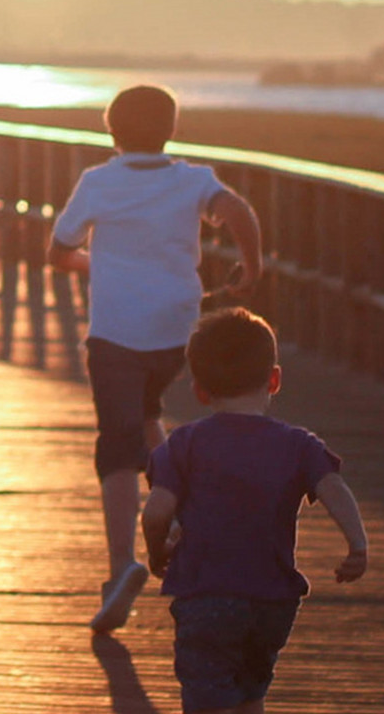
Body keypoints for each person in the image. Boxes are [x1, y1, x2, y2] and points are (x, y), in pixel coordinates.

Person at [140, 308, 368, 714]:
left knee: (203, 709)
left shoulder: (184, 444)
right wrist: (356, 545)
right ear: (273, 379)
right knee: (248, 692)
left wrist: (156, 547)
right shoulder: (297, 444)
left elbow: (158, 508)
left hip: (206, 594)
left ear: (198, 387)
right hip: (272, 599)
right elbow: (334, 488)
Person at [49, 84, 264, 635]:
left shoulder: (98, 183)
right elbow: (237, 209)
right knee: (147, 412)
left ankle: (121, 565)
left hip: (118, 328)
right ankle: (185, 507)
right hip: (174, 328)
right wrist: (252, 265)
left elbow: (58, 249)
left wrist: (95, 265)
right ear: (170, 129)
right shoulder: (193, 179)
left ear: (110, 131)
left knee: (117, 443)